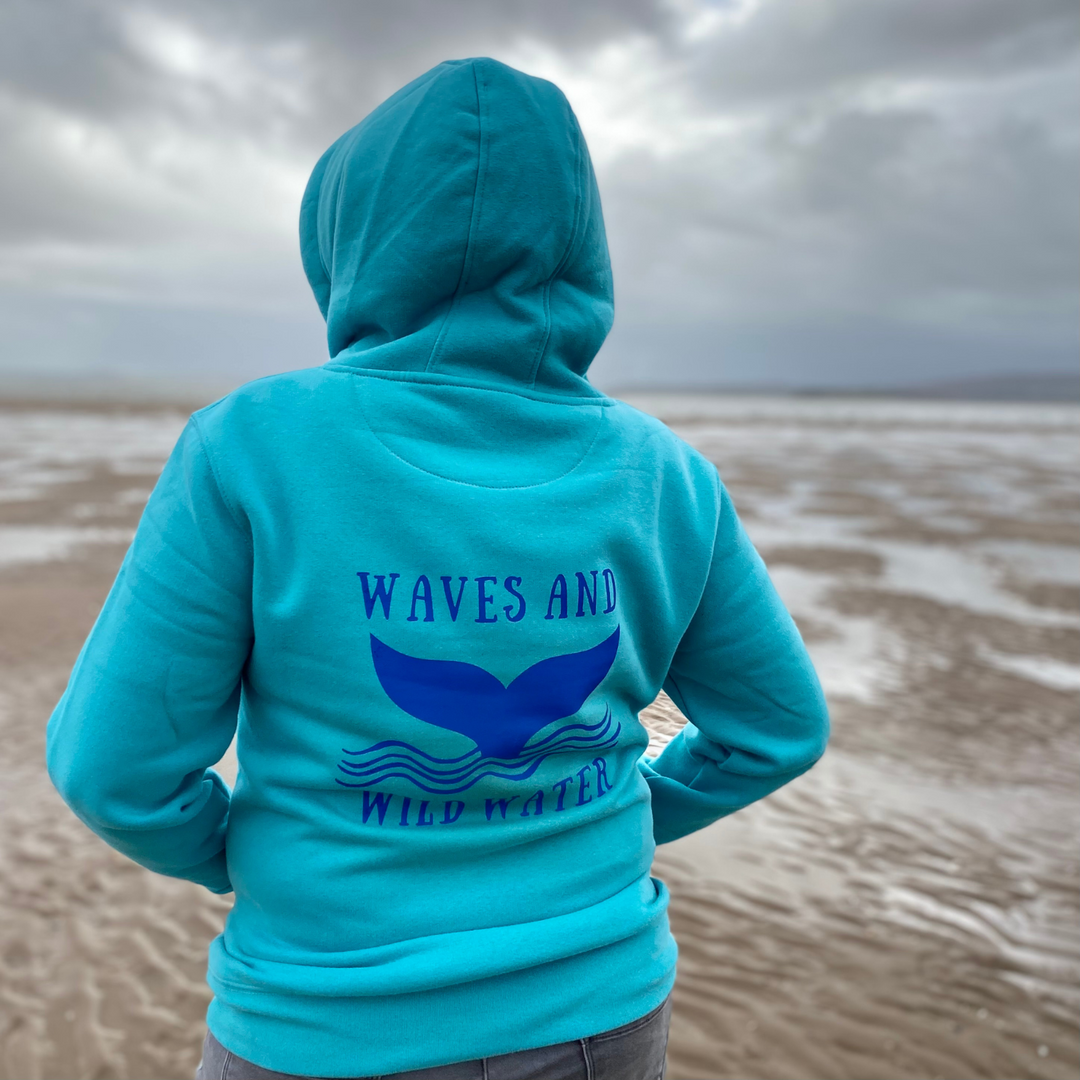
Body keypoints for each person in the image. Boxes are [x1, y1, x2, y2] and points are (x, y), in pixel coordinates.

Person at [45, 57, 829, 1080]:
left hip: (323, 1015)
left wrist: (240, 855)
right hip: (599, 1008)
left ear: (349, 243)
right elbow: (779, 729)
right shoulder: (665, 475)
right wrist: (621, 816)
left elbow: (114, 771)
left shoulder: (251, 445)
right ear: (578, 245)